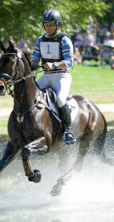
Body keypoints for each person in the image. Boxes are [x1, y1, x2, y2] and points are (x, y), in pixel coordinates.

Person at [30, 10, 76, 144]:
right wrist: (33, 64)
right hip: (46, 76)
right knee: (31, 95)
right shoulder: (40, 39)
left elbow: (69, 61)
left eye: (51, 25)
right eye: (46, 25)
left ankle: (68, 130)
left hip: (61, 76)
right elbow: (35, 57)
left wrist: (54, 65)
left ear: (57, 25)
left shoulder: (64, 39)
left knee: (61, 100)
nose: (48, 27)